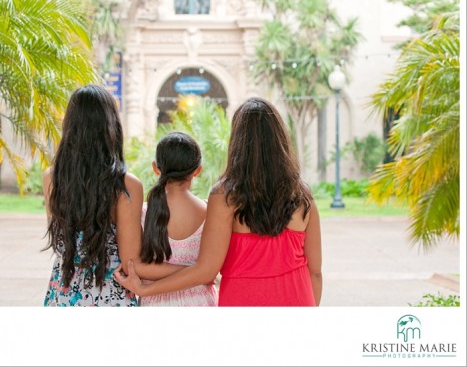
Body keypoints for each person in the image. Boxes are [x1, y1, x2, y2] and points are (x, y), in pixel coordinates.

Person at [115, 97, 322, 306]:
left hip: (242, 302)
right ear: (281, 141)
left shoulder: (224, 197)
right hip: (298, 300)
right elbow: (315, 273)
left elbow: (206, 270)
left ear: (238, 142)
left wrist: (145, 288)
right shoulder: (304, 197)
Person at [42, 84, 181, 306]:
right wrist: (193, 271)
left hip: (63, 295)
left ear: (70, 126)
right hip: (109, 295)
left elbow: (63, 241)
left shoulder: (51, 178)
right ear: (111, 126)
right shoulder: (125, 185)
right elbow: (130, 263)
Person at [138, 132, 217, 306]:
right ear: (197, 170)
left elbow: (138, 267)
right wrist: (197, 272)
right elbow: (210, 271)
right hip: (199, 302)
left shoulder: (143, 213)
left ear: (155, 168)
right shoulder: (210, 213)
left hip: (154, 304)